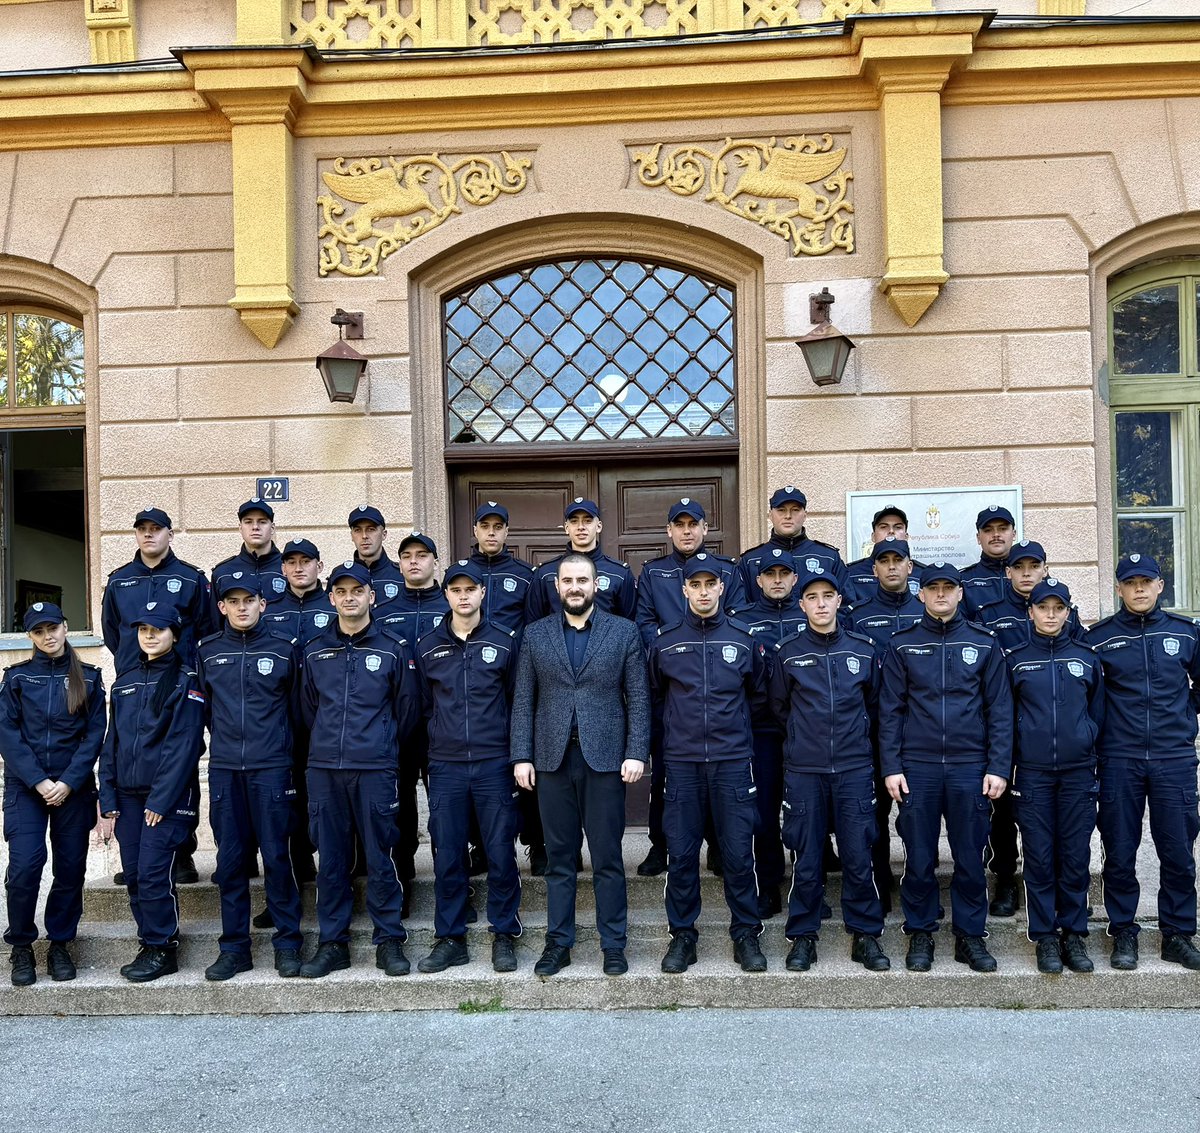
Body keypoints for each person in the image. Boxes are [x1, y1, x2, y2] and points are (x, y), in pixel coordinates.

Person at [511, 553, 650, 977]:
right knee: (560, 859)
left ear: (596, 585)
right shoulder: (535, 634)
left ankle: (613, 944)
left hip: (605, 760)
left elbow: (638, 697)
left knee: (608, 858)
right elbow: (523, 700)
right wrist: (521, 756)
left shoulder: (623, 632)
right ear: (557, 587)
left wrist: (636, 751)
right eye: (568, 580)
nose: (575, 587)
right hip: (551, 761)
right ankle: (559, 943)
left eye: (583, 580)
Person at [878, 561, 1012, 973]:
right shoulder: (902, 645)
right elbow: (890, 710)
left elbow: (1000, 710)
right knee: (919, 857)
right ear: (920, 594)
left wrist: (998, 766)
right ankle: (920, 931)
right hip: (917, 767)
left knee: (970, 857)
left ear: (960, 593)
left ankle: (970, 936)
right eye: (933, 588)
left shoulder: (984, 643)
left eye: (948, 588)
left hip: (970, 766)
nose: (940, 594)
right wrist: (891, 766)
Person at [648, 552, 769, 974]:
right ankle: (683, 936)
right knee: (681, 856)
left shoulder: (743, 640)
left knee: (738, 855)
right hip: (682, 765)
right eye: (695, 585)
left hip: (732, 763)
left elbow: (758, 697)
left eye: (709, 584)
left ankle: (746, 933)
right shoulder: (664, 643)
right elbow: (656, 698)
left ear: (721, 587)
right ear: (684, 590)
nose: (703, 592)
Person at [299, 560, 419, 979]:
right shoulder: (314, 651)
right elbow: (307, 710)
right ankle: (333, 943)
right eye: (341, 592)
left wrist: (378, 745)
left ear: (372, 596)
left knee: (382, 855)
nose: (349, 598)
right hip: (325, 770)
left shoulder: (392, 648)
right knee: (332, 859)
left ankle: (389, 940)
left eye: (357, 591)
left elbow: (406, 711)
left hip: (375, 768)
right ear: (331, 598)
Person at [769, 573, 889, 972]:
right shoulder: (787, 653)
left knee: (858, 856)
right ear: (802, 605)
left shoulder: (863, 650)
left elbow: (875, 706)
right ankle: (803, 936)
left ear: (839, 601)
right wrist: (803, 740)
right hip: (805, 771)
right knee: (807, 859)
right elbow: (779, 708)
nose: (820, 604)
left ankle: (865, 935)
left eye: (827, 596)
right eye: (812, 597)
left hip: (854, 769)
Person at [1087, 554, 1200, 971]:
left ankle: (1178, 934)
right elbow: (1090, 695)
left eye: (1146, 581)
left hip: (1174, 758)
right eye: (1130, 582)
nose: (1138, 589)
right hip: (1120, 758)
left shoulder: (1185, 633)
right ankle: (1123, 932)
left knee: (1178, 851)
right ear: (1118, 588)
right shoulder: (1099, 638)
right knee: (1119, 851)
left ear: (1159, 585)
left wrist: (1184, 716)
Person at [414, 559, 521, 974]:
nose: (463, 596)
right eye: (456, 590)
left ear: (482, 593)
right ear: (446, 595)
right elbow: (423, 707)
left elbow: (515, 702)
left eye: (470, 589)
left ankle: (504, 933)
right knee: (448, 853)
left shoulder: (505, 642)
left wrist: (514, 756)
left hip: (494, 764)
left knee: (500, 852)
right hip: (446, 766)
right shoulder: (427, 646)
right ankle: (450, 937)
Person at [197, 576, 304, 981]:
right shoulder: (207, 651)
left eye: (249, 600)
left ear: (263, 604)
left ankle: (288, 943)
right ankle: (234, 948)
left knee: (277, 857)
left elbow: (297, 711)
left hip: (272, 768)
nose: (242, 607)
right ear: (221, 607)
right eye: (233, 601)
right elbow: (206, 710)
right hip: (226, 770)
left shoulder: (283, 649)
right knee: (230, 861)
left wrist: (280, 751)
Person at [101, 506, 213, 886]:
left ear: (169, 534)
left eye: (156, 528)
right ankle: (136, 854)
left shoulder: (191, 578)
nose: (149, 534)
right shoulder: (119, 582)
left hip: (175, 684)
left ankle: (181, 851)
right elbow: (114, 635)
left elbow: (205, 630)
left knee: (180, 760)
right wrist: (132, 666)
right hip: (134, 684)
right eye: (142, 529)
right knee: (133, 760)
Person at [634, 498, 746, 877]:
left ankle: (716, 846)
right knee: (667, 774)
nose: (686, 531)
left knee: (716, 775)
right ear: (669, 530)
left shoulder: (727, 571)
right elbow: (644, 623)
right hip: (672, 688)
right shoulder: (653, 573)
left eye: (693, 524)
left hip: (717, 685)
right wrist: (673, 650)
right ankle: (661, 845)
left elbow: (737, 619)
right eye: (679, 525)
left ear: (704, 528)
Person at [99, 606, 208, 982]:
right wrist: (107, 796)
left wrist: (161, 800)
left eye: (158, 630)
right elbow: (112, 742)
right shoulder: (125, 681)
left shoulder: (185, 679)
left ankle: (164, 947)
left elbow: (185, 745)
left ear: (174, 636)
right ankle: (148, 942)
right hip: (127, 797)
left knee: (152, 873)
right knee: (133, 875)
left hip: (167, 798)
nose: (149, 635)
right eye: (143, 629)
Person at [0, 602, 106, 986]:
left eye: (53, 628)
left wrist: (69, 781)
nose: (48, 636)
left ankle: (60, 943)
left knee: (71, 869)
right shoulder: (16, 678)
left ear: (65, 626)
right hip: (27, 788)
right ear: (30, 636)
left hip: (73, 788)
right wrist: (39, 781)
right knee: (25, 866)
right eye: (39, 631)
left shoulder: (89, 678)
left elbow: (95, 734)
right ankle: (22, 945)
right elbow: (7, 734)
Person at [975, 538, 1080, 918]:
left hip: (1049, 733)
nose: (1026, 573)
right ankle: (1005, 880)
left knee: (1052, 822)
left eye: (1033, 566)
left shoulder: (1066, 614)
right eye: (1019, 567)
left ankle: (1057, 888)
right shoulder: (989, 614)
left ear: (1044, 569)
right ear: (1008, 572)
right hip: (1004, 731)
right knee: (1001, 815)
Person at [1006, 578, 1103, 974]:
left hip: (1078, 773)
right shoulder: (1015, 660)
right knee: (1040, 857)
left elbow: (1099, 714)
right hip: (1033, 774)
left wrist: (1086, 741)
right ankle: (1045, 936)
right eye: (1042, 608)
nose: (1050, 615)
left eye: (1057, 608)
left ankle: (1074, 934)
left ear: (1067, 612)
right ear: (1030, 612)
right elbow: (1004, 718)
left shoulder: (1086, 658)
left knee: (1076, 856)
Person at [845, 537, 924, 910]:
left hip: (921, 732)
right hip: (873, 729)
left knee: (917, 818)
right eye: (884, 561)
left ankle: (918, 889)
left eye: (898, 560)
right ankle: (879, 887)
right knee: (872, 815)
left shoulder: (925, 611)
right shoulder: (858, 616)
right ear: (873, 569)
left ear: (910, 566)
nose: (892, 566)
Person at [729, 549, 807, 919]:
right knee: (763, 813)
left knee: (806, 812)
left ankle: (808, 887)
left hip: (806, 732)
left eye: (784, 574)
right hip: (761, 732)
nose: (777, 580)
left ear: (795, 579)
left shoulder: (809, 614)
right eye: (770, 574)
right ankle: (770, 884)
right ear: (758, 580)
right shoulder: (741, 621)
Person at [377, 531, 450, 899]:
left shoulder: (451, 609)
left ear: (435, 561)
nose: (414, 561)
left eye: (422, 555)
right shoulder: (383, 613)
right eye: (407, 556)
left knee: (446, 811)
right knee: (400, 808)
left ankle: (451, 889)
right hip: (399, 727)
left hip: (444, 726)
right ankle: (402, 885)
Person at [526, 498, 636, 621]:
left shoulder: (619, 573)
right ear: (566, 528)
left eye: (588, 521)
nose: (581, 527)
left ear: (599, 526)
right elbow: (533, 623)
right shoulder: (545, 573)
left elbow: (629, 623)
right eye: (574, 521)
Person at [737, 486, 847, 600]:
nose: (788, 516)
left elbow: (845, 602)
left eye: (795, 510)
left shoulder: (828, 557)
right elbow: (741, 606)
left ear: (805, 515)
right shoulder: (751, 560)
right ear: (770, 515)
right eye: (781, 510)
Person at [210, 498, 287, 616]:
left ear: (272, 528)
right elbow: (215, 622)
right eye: (248, 522)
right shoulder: (222, 573)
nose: (255, 527)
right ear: (240, 528)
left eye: (262, 522)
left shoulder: (290, 569)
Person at [844, 506, 922, 606]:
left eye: (898, 527)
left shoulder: (923, 573)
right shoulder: (851, 573)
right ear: (873, 536)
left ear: (906, 536)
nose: (891, 531)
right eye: (884, 527)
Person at [348, 505, 406, 619]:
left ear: (384, 534)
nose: (364, 536)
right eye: (358, 530)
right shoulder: (342, 578)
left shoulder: (402, 576)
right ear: (352, 536)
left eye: (371, 529)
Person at [960, 505, 1018, 618]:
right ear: (978, 538)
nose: (996, 535)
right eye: (988, 530)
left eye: (1003, 529)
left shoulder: (1032, 575)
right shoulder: (964, 580)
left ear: (1014, 534)